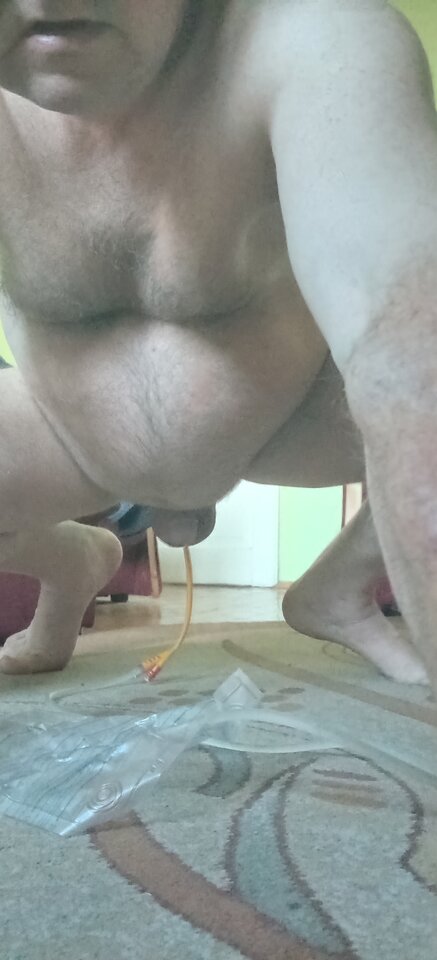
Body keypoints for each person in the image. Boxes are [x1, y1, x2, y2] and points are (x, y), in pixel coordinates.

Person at [0, 0, 436, 688]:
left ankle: (339, 584)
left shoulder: (312, 38)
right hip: (68, 436)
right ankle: (71, 561)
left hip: (288, 423)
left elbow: (407, 351)